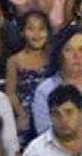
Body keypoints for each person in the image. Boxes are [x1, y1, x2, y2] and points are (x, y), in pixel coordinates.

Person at [5, 10, 50, 145]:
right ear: (22, 32)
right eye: (31, 29)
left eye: (42, 29)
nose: (37, 34)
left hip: (49, 112)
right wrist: (21, 114)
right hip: (25, 114)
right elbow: (10, 92)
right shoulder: (14, 60)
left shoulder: (53, 57)